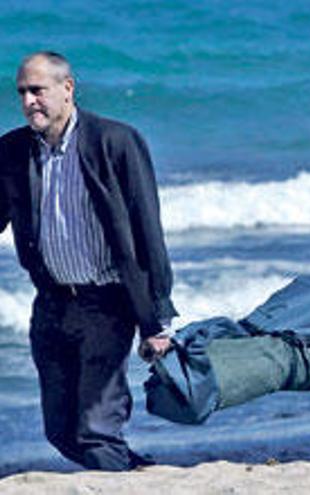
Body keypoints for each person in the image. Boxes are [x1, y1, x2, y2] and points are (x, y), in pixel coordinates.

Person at [0, 51, 177, 471]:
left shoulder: (115, 141)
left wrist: (157, 318)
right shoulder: (11, 150)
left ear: (67, 88)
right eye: (22, 92)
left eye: (38, 91)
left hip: (107, 304)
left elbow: (147, 230)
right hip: (51, 304)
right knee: (61, 432)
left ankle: (122, 475)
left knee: (96, 430)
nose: (29, 102)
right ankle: (137, 475)